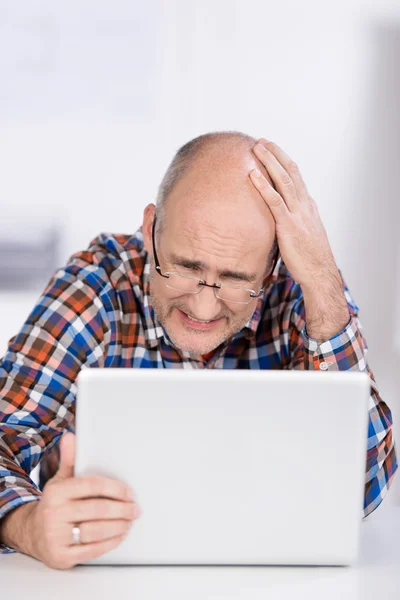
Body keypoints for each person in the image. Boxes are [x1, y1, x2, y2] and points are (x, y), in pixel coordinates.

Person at [0, 131, 397, 570]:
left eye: (235, 279)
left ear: (272, 265)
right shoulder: (95, 288)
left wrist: (322, 277)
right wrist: (26, 523)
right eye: (185, 269)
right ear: (150, 232)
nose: (203, 307)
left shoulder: (305, 289)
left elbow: (364, 487)